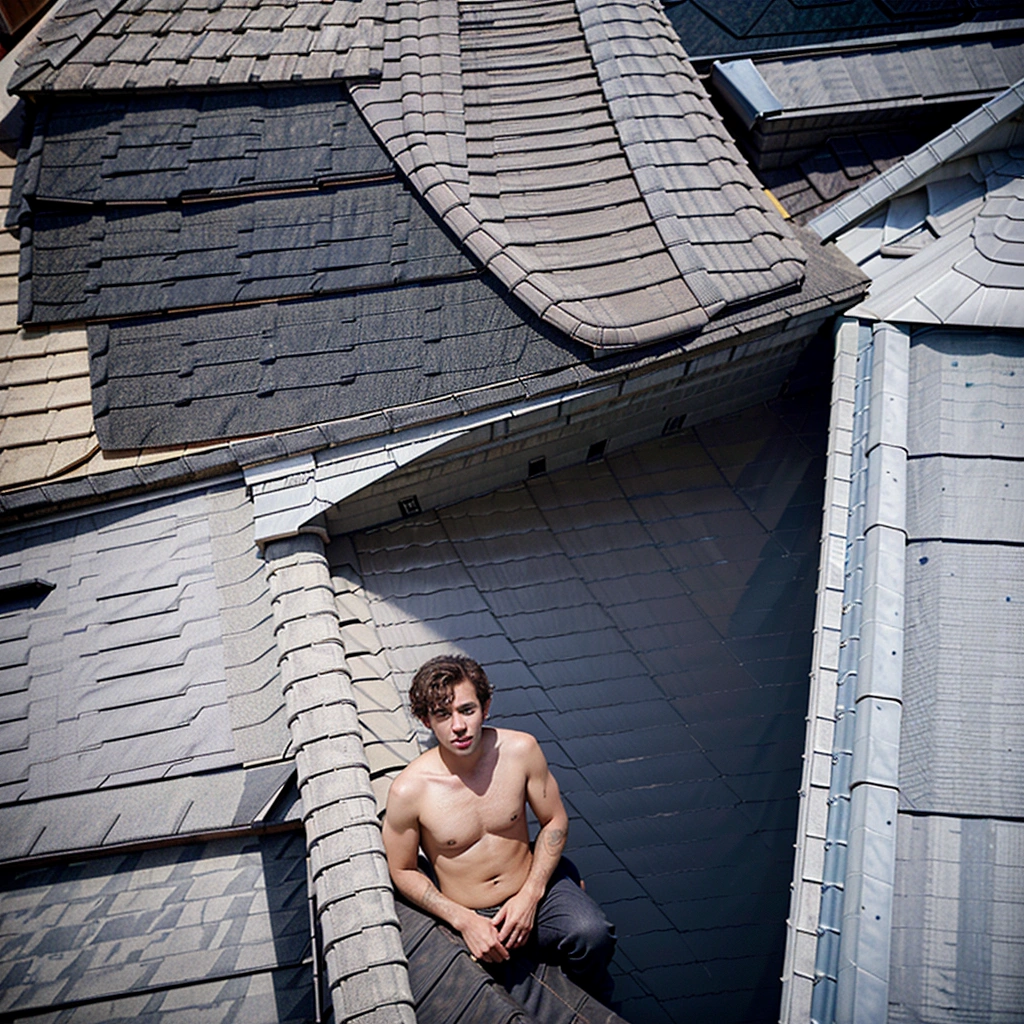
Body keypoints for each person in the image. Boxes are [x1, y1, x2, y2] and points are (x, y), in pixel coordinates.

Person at [382, 654, 616, 1003]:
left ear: (486, 707)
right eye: (443, 715)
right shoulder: (409, 790)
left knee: (593, 935)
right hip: (473, 914)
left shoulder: (521, 750)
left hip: (533, 892)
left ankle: (596, 999)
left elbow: (555, 820)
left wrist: (531, 894)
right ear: (425, 720)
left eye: (467, 710)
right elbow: (401, 870)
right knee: (479, 999)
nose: (458, 726)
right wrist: (462, 920)